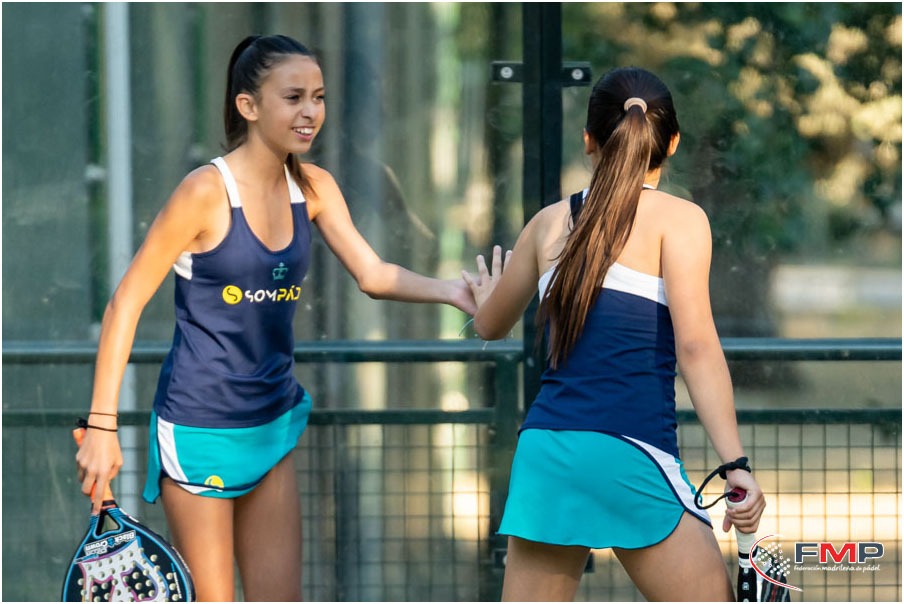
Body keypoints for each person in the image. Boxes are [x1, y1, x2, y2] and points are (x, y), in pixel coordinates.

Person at [75, 34, 475, 601]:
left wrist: (455, 292)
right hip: (199, 429)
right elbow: (126, 302)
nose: (310, 111)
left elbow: (373, 274)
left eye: (318, 97)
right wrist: (101, 427)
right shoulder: (203, 191)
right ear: (248, 105)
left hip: (272, 423)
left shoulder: (313, 187)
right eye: (293, 97)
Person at [461, 67, 766, 602]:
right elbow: (696, 348)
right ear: (671, 142)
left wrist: (487, 297)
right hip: (631, 449)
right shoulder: (682, 219)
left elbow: (489, 325)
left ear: (589, 140)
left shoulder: (547, 223)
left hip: (548, 452)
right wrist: (735, 465)